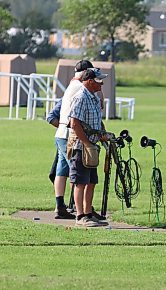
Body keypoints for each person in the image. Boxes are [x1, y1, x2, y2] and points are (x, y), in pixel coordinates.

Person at [46, 60, 95, 219]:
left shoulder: (69, 88)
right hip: (69, 134)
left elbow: (51, 116)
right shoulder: (81, 89)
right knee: (78, 171)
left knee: (62, 170)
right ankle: (82, 209)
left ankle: (60, 205)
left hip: (61, 133)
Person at [68, 68, 109, 227]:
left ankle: (89, 213)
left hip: (92, 147)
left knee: (91, 182)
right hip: (81, 147)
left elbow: (96, 121)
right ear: (90, 81)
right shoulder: (80, 98)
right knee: (80, 182)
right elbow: (75, 124)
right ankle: (80, 216)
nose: (102, 83)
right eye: (99, 80)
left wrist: (101, 136)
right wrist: (86, 143)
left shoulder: (93, 97)